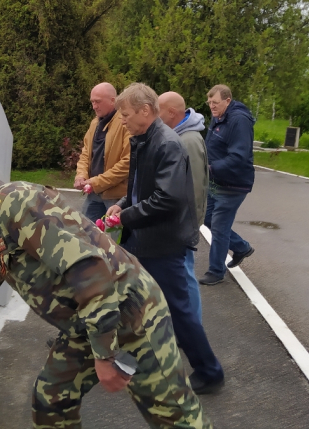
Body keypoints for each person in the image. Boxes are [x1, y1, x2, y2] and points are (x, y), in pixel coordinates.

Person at [0, 153, 211, 428]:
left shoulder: (16, 205)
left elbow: (89, 269)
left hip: (132, 315)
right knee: (52, 398)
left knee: (174, 416)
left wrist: (104, 356)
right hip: (89, 322)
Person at [107, 83, 224, 394]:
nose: (122, 120)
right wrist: (122, 205)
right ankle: (132, 360)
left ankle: (209, 371)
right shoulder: (144, 139)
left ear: (145, 111)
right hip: (143, 239)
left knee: (178, 311)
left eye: (126, 114)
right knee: (131, 302)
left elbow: (167, 199)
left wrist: (125, 217)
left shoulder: (167, 143)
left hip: (163, 244)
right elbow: (139, 189)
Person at [158, 91, 209, 323]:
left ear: (171, 112)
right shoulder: (178, 136)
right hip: (178, 221)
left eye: (159, 110)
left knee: (185, 274)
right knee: (178, 273)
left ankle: (193, 327)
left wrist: (186, 225)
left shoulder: (188, 140)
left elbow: (195, 187)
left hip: (183, 223)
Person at [199, 85, 255, 286]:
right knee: (207, 218)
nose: (212, 106)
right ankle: (241, 247)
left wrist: (211, 168)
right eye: (209, 103)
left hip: (233, 184)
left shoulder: (239, 120)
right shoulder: (219, 116)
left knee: (220, 226)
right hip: (215, 181)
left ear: (228, 100)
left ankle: (216, 271)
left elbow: (239, 156)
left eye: (215, 102)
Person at [75, 82, 131, 223]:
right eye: (92, 102)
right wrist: (81, 175)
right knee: (85, 231)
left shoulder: (125, 123)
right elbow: (86, 154)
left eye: (98, 102)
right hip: (94, 192)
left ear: (113, 100)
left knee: (115, 236)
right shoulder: (95, 123)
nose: (94, 106)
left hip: (116, 197)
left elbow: (128, 162)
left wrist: (97, 182)